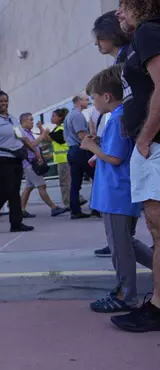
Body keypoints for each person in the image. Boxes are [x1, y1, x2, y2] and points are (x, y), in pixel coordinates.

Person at [81, 64, 153, 313]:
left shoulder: (117, 118)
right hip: (120, 193)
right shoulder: (123, 115)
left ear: (106, 97)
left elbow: (114, 158)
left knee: (119, 247)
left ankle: (126, 295)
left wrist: (91, 147)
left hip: (115, 194)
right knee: (127, 243)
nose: (93, 103)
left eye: (94, 98)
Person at [111, 0, 160, 332]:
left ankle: (158, 307)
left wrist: (144, 139)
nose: (118, 13)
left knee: (159, 231)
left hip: (154, 146)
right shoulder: (143, 36)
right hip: (151, 145)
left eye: (123, 5)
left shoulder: (148, 31)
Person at [91, 9, 133, 258]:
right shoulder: (121, 63)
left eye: (100, 37)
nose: (97, 43)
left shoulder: (130, 60)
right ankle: (121, 240)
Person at [0, 91, 41, 233]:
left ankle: (16, 223)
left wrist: (35, 151)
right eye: (0, 101)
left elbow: (23, 138)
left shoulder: (13, 119)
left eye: (5, 101)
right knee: (7, 190)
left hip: (16, 158)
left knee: (14, 191)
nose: (3, 103)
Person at [18, 113, 67, 218]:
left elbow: (36, 144)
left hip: (29, 164)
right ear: (24, 121)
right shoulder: (23, 133)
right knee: (42, 186)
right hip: (30, 164)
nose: (32, 122)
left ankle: (21, 210)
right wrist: (43, 134)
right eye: (30, 120)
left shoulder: (28, 133)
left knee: (28, 187)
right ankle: (53, 208)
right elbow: (32, 144)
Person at [63, 94, 95, 219]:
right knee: (97, 178)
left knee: (75, 184)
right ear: (78, 101)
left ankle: (75, 210)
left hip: (73, 151)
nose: (88, 102)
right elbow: (82, 135)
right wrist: (94, 140)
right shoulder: (77, 115)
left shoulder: (69, 116)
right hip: (80, 151)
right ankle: (97, 208)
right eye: (86, 100)